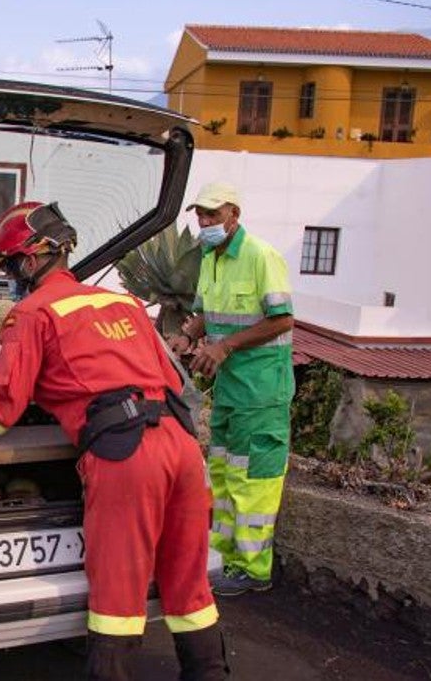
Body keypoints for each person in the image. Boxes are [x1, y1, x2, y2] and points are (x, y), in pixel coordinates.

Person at [0, 202, 227, 680]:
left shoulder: (32, 314)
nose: (10, 278)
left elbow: (0, 413)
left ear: (29, 259)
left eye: (8, 266)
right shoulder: (123, 304)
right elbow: (171, 380)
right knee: (189, 589)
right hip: (181, 446)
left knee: (118, 597)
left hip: (126, 455)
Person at [168, 181, 294, 597]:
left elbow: (281, 320)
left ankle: (254, 569)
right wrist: (189, 335)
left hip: (261, 389)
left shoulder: (261, 256)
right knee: (223, 473)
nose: (204, 222)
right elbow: (207, 311)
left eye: (213, 215)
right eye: (200, 215)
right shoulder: (211, 257)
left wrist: (224, 347)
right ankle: (226, 560)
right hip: (230, 389)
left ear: (233, 215)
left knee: (252, 480)